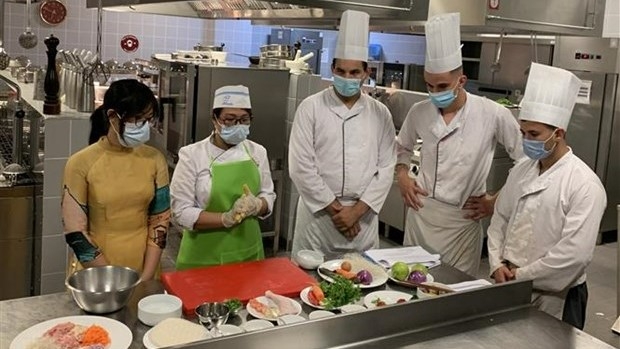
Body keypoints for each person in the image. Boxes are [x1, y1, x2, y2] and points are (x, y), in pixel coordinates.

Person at [395, 13, 523, 276]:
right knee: (411, 285)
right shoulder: (420, 111)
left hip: (462, 222)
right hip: (421, 215)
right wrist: (402, 177)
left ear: (461, 81)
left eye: (442, 86)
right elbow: (402, 147)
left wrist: (495, 201)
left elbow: (527, 161)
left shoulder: (491, 113)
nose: (435, 92)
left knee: (453, 292)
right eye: (429, 85)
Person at [487, 63, 607, 329]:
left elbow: (573, 257)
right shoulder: (520, 170)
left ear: (558, 133)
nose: (526, 141)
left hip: (558, 296)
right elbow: (500, 220)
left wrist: (521, 274)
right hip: (509, 282)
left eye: (534, 134)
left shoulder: (584, 185)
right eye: (523, 133)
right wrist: (496, 263)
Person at [288, 10, 396, 259]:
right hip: (319, 217)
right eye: (342, 71)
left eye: (355, 73)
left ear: (366, 73)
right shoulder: (311, 107)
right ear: (332, 69)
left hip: (364, 218)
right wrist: (339, 212)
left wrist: (356, 212)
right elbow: (301, 167)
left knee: (363, 282)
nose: (347, 78)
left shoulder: (380, 114)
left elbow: (386, 167)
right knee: (311, 287)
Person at [62, 79, 170, 281]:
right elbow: (75, 232)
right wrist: (115, 280)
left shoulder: (155, 159)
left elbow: (160, 220)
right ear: (112, 116)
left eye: (148, 119)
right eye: (137, 119)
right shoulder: (80, 163)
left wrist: (146, 277)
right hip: (96, 271)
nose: (144, 126)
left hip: (145, 264)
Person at [170, 85, 276, 270]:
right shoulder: (192, 155)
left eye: (244, 120)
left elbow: (268, 195)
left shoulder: (257, 152)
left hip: (248, 252)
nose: (237, 126)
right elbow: (181, 212)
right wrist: (226, 218)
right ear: (214, 119)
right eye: (229, 120)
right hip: (204, 257)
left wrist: (257, 205)